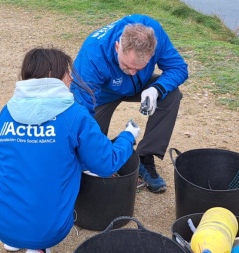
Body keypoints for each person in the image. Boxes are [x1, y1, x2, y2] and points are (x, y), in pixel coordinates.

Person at [0, 48, 139, 253]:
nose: (72, 77)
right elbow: (107, 164)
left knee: (13, 160)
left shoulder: (8, 110)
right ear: (53, 74)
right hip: (48, 229)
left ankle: (13, 235)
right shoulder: (75, 114)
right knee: (68, 161)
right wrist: (127, 136)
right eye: (67, 72)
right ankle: (39, 245)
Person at [70, 15, 188, 193]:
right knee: (86, 147)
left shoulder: (155, 35)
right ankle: (106, 152)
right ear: (118, 46)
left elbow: (178, 68)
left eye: (139, 68)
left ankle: (144, 158)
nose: (132, 72)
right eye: (127, 66)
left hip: (141, 87)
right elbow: (82, 108)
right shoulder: (93, 54)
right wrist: (93, 156)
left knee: (171, 94)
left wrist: (156, 89)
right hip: (102, 95)